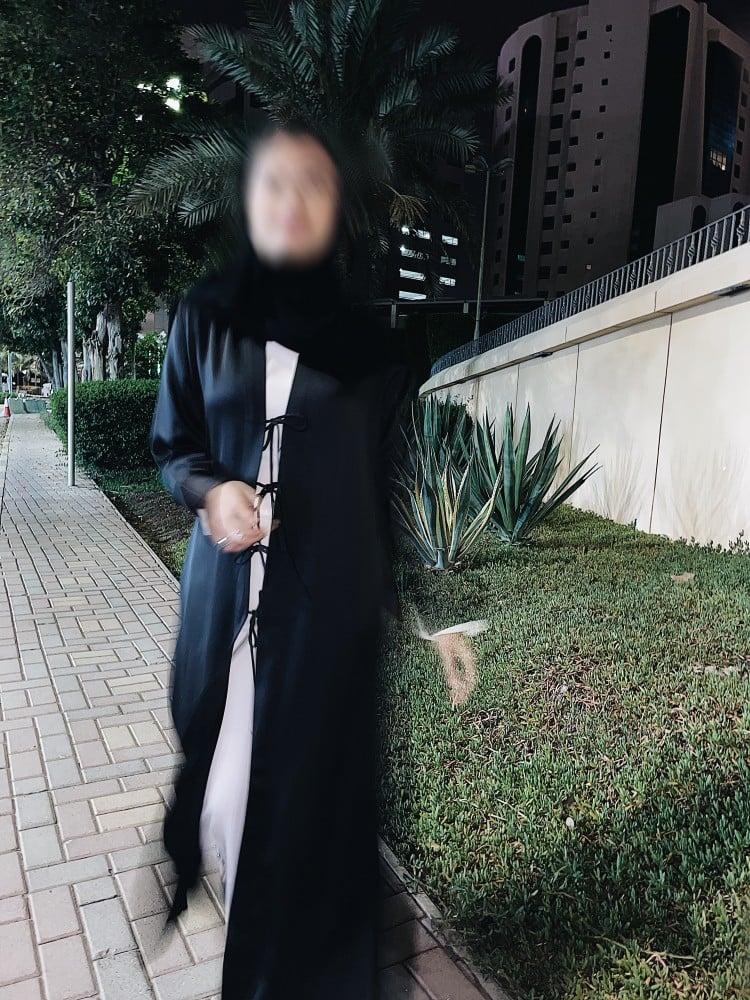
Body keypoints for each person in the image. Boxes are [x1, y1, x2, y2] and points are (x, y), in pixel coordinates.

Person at [149, 116, 482, 999]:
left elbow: (383, 504)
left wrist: (426, 625)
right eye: (274, 182)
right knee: (225, 808)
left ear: (338, 209)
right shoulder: (206, 316)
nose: (292, 200)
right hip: (225, 614)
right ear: (248, 199)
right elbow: (172, 444)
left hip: (323, 625)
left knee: (297, 830)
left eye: (315, 184)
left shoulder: (372, 350)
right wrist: (210, 491)